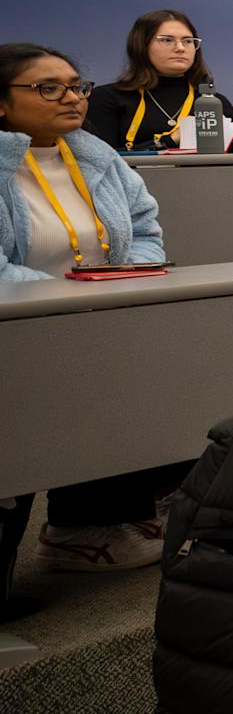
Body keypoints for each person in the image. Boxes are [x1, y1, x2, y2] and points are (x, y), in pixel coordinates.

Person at [0, 42, 177, 576]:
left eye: (77, 86)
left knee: (143, 377)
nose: (72, 98)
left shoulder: (96, 155)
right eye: (48, 88)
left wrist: (128, 276)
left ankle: (89, 527)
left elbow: (146, 228)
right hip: (20, 322)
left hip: (97, 312)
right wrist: (69, 294)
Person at [87, 9, 233, 153]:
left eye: (188, 41)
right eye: (167, 40)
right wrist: (170, 140)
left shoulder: (214, 102)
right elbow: (101, 162)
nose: (180, 48)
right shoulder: (107, 98)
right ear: (141, 45)